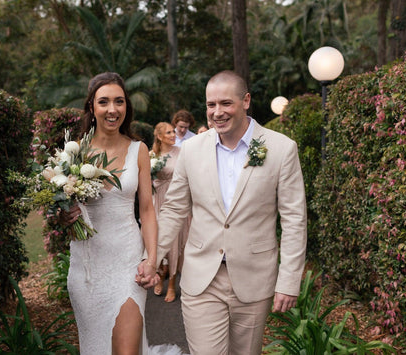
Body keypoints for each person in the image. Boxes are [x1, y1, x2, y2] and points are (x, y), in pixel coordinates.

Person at [153, 70, 307, 355]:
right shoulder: (192, 150)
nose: (217, 112)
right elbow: (174, 209)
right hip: (202, 279)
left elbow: (295, 219)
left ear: (246, 100)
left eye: (226, 103)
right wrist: (152, 259)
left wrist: (288, 280)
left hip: (254, 279)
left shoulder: (282, 149)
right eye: (211, 105)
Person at [62, 72, 163, 354]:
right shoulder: (74, 154)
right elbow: (62, 208)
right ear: (92, 108)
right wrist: (64, 215)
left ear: (126, 107)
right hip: (87, 265)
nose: (112, 109)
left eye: (119, 101)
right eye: (104, 102)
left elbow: (147, 210)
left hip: (127, 261)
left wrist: (151, 259)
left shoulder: (138, 150)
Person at [150, 122, 190, 303]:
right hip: (157, 201)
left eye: (173, 131)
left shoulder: (182, 153)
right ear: (159, 136)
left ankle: (172, 284)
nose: (173, 134)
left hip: (177, 201)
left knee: (174, 242)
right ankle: (160, 273)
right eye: (169, 132)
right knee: (157, 240)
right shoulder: (151, 156)